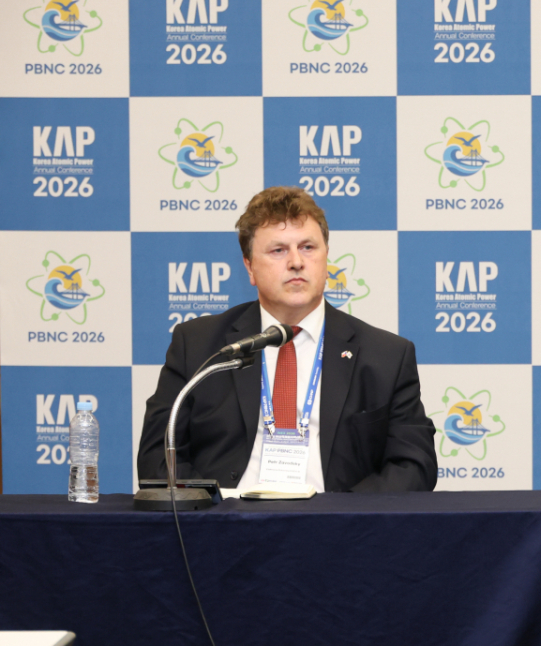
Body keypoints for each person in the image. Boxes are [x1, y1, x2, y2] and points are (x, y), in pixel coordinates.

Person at [138, 187, 437, 493]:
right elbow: (158, 458)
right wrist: (217, 510)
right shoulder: (200, 346)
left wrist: (345, 513)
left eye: (308, 247)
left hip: (335, 517)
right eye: (278, 250)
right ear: (249, 266)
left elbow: (415, 465)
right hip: (229, 517)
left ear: (326, 257)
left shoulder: (385, 356)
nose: (296, 262)